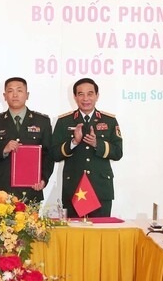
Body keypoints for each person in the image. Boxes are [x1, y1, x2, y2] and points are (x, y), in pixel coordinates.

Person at [51, 78, 123, 217]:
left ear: (97, 95)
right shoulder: (64, 121)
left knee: (101, 235)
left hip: (100, 189)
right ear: (75, 97)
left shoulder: (109, 120)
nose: (85, 99)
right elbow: (54, 154)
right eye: (81, 94)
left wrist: (98, 144)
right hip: (74, 189)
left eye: (90, 94)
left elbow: (118, 152)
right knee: (74, 236)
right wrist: (73, 142)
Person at [0, 77, 53, 203]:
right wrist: (4, 150)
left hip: (31, 189)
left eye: (19, 90)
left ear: (27, 95)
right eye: (10, 91)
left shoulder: (42, 121)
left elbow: (49, 155)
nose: (15, 95)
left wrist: (43, 178)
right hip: (2, 190)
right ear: (4, 96)